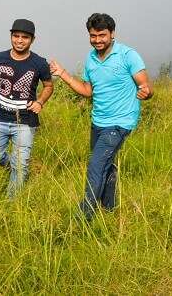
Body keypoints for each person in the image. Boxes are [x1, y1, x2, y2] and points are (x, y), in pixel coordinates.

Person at [50, 13, 153, 220]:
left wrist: (146, 92)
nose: (97, 40)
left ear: (112, 34)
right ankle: (110, 210)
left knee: (95, 166)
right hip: (98, 121)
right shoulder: (90, 58)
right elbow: (88, 91)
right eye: (93, 36)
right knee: (107, 165)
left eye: (102, 35)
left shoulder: (128, 55)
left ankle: (83, 216)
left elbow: (146, 87)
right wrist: (63, 74)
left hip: (121, 122)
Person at [0, 19, 54, 198]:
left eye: (24, 37)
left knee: (20, 166)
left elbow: (49, 86)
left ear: (32, 39)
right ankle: (19, 168)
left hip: (25, 122)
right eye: (16, 36)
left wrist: (40, 101)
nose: (19, 40)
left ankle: (11, 203)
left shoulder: (39, 63)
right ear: (11, 36)